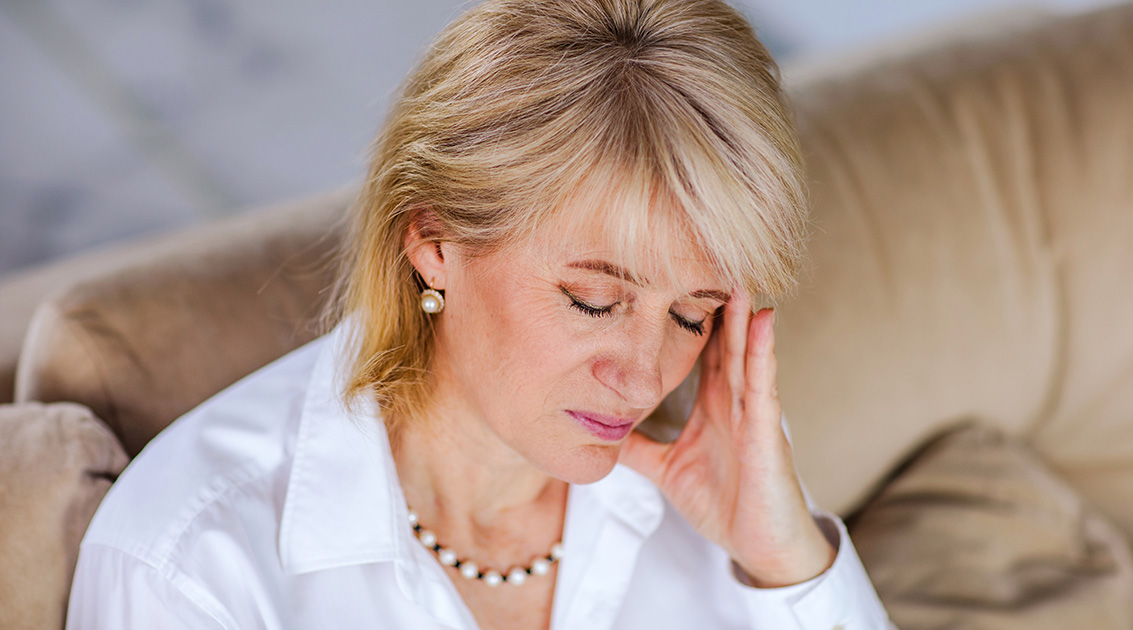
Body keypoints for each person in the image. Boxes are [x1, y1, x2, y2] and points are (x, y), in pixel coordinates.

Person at [67, 0, 894, 628]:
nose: (645, 378)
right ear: (432, 242)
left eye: (692, 315)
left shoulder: (726, 472)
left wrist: (791, 562)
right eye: (594, 300)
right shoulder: (190, 565)